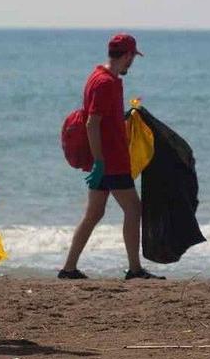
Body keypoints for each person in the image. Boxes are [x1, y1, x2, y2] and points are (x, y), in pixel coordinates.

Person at [59, 34, 164, 280]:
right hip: (111, 161)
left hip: (107, 159)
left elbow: (100, 119)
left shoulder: (103, 77)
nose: (132, 63)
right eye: (132, 58)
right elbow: (91, 124)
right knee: (134, 209)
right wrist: (99, 162)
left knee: (94, 214)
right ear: (126, 56)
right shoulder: (105, 82)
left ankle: (69, 268)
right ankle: (135, 268)